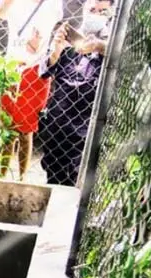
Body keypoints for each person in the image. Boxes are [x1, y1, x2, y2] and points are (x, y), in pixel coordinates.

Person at [38, 0, 111, 185]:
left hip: (85, 129)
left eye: (102, 12)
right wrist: (56, 51)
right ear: (84, 9)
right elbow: (44, 72)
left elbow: (120, 63)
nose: (95, 15)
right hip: (57, 125)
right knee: (53, 179)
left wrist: (100, 47)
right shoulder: (68, 41)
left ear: (111, 15)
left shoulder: (111, 47)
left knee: (76, 183)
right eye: (92, 10)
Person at [0, 0, 62, 180]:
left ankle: (22, 178)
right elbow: (0, 12)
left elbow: (54, 22)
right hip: (12, 66)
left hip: (36, 69)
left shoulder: (52, 4)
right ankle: (1, 176)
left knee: (26, 130)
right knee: (7, 129)